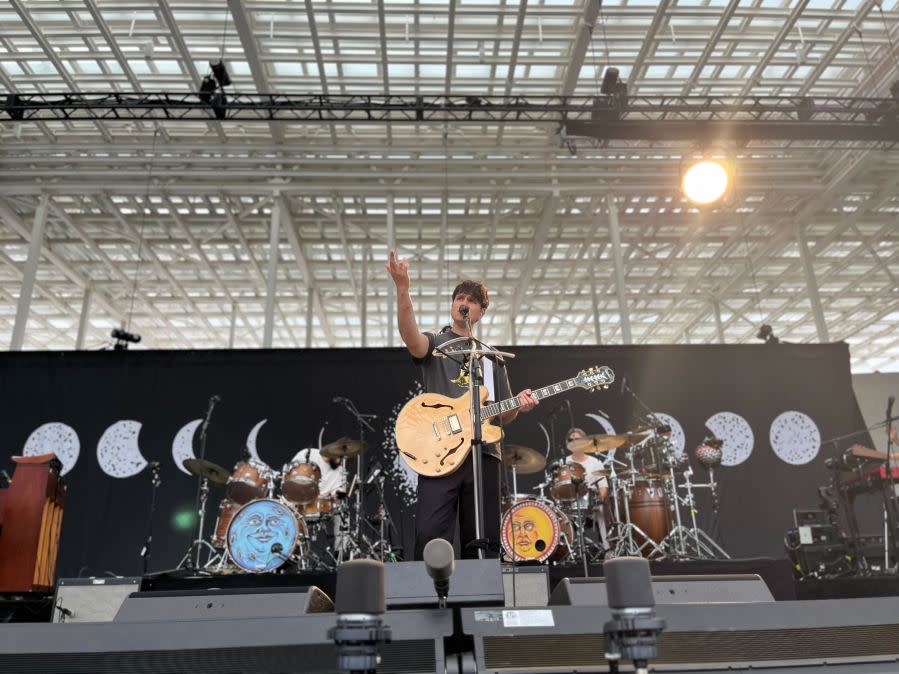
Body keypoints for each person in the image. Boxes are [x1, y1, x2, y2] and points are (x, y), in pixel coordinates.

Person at [386, 249, 538, 559]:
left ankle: (481, 602)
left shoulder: (492, 357)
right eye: (459, 298)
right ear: (453, 305)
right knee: (430, 532)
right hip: (440, 448)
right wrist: (403, 288)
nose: (464, 303)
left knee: (483, 538)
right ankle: (431, 597)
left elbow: (502, 413)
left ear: (481, 312)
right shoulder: (436, 344)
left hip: (484, 454)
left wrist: (519, 405)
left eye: (471, 301)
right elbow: (409, 336)